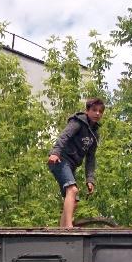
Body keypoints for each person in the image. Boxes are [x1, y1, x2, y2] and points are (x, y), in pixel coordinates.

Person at [47, 97, 104, 228]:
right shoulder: (78, 122)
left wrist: (90, 179)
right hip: (60, 160)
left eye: (100, 112)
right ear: (87, 111)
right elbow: (64, 136)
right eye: (94, 110)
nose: (97, 114)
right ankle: (68, 228)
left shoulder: (95, 134)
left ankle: (62, 231)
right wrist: (55, 153)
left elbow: (90, 158)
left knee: (74, 200)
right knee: (72, 190)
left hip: (71, 165)